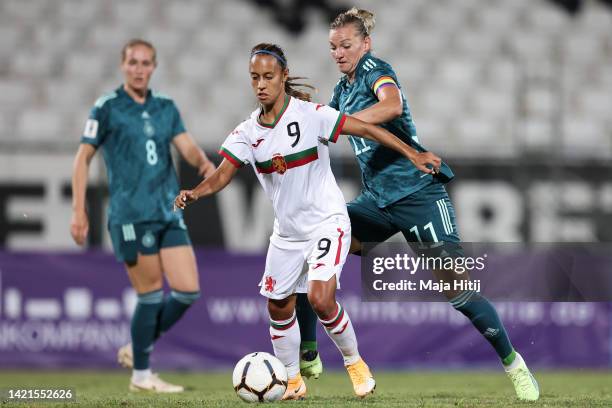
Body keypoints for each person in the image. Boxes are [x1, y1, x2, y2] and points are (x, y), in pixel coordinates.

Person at [294, 8, 540, 402]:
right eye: (332, 47)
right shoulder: (341, 91)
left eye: (346, 45)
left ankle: (514, 364)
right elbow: (325, 132)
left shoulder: (377, 70)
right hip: (376, 202)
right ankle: (308, 351)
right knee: (313, 255)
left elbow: (390, 107)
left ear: (365, 43)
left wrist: (344, 122)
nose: (338, 53)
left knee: (458, 290)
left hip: (419, 196)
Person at [174, 42, 441, 400]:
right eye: (255, 77)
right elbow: (222, 175)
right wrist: (196, 191)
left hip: (327, 222)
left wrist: (412, 153)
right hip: (287, 234)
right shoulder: (247, 133)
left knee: (319, 298)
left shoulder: (312, 114)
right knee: (278, 306)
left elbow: (365, 129)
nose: (261, 84)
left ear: (284, 76)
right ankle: (292, 381)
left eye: (268, 76)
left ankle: (355, 363)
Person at [70, 39, 216, 393]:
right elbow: (82, 158)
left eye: (146, 63)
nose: (139, 69)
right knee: (150, 294)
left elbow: (186, 146)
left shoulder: (165, 106)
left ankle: (136, 349)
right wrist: (79, 210)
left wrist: (203, 163)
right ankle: (141, 375)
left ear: (153, 67)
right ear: (123, 65)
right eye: (133, 62)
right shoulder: (107, 107)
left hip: (168, 210)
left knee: (187, 291)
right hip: (131, 216)